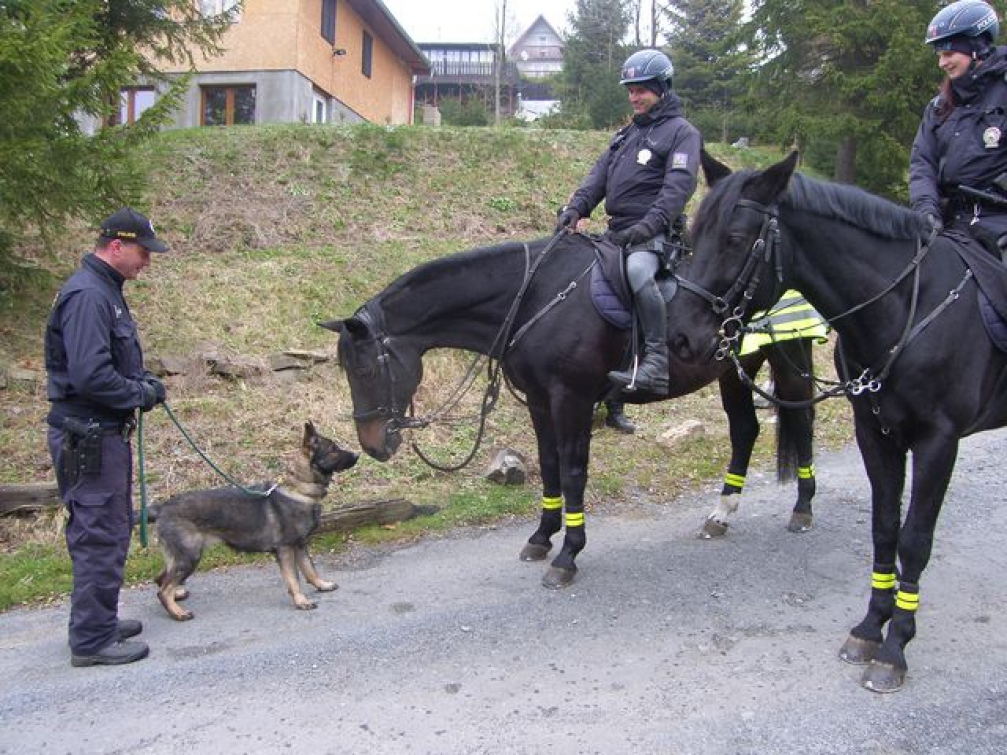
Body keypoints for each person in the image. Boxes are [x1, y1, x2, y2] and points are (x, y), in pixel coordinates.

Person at [44, 207, 169, 667]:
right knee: (98, 532)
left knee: (112, 529)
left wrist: (142, 381)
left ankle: (99, 621)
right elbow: (92, 376)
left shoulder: (104, 291)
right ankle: (91, 641)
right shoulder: (89, 296)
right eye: (142, 252)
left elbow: (109, 366)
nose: (147, 262)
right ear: (116, 245)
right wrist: (140, 392)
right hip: (89, 436)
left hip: (102, 435)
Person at [556, 48, 702, 396]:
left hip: (655, 234)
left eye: (642, 90)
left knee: (638, 272)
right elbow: (597, 178)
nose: (634, 97)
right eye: (631, 90)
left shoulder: (682, 133)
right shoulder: (625, 135)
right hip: (618, 231)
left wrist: (651, 224)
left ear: (662, 89)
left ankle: (655, 362)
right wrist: (576, 209)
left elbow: (678, 186)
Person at [911, 0, 1007, 250]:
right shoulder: (938, 107)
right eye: (939, 55)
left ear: (976, 49)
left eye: (949, 53)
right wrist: (926, 212)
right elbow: (922, 163)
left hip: (1000, 223)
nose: (942, 63)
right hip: (949, 222)